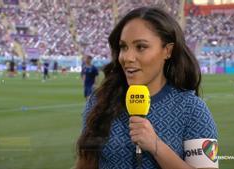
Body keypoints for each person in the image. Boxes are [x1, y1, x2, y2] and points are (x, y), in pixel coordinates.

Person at [75, 7, 218, 169]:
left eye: (141, 47)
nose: (127, 58)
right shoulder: (99, 101)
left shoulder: (193, 109)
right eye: (123, 47)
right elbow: (86, 163)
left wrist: (156, 146)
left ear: (167, 51)